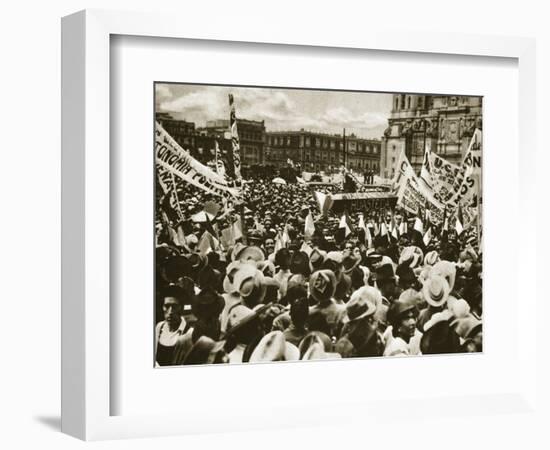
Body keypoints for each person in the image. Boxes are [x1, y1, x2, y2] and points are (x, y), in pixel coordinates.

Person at [155, 285, 191, 366]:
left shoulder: (188, 333)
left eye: (174, 307)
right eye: (167, 306)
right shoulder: (159, 327)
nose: (170, 312)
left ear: (181, 308)